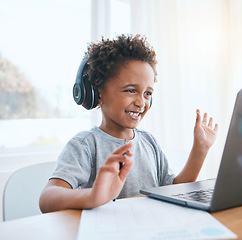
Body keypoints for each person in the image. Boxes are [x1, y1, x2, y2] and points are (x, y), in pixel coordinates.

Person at [39, 34, 218, 213]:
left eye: (147, 93)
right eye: (131, 90)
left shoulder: (149, 143)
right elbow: (47, 200)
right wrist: (93, 196)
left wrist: (200, 150)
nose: (141, 102)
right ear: (97, 93)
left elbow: (173, 190)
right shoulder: (85, 145)